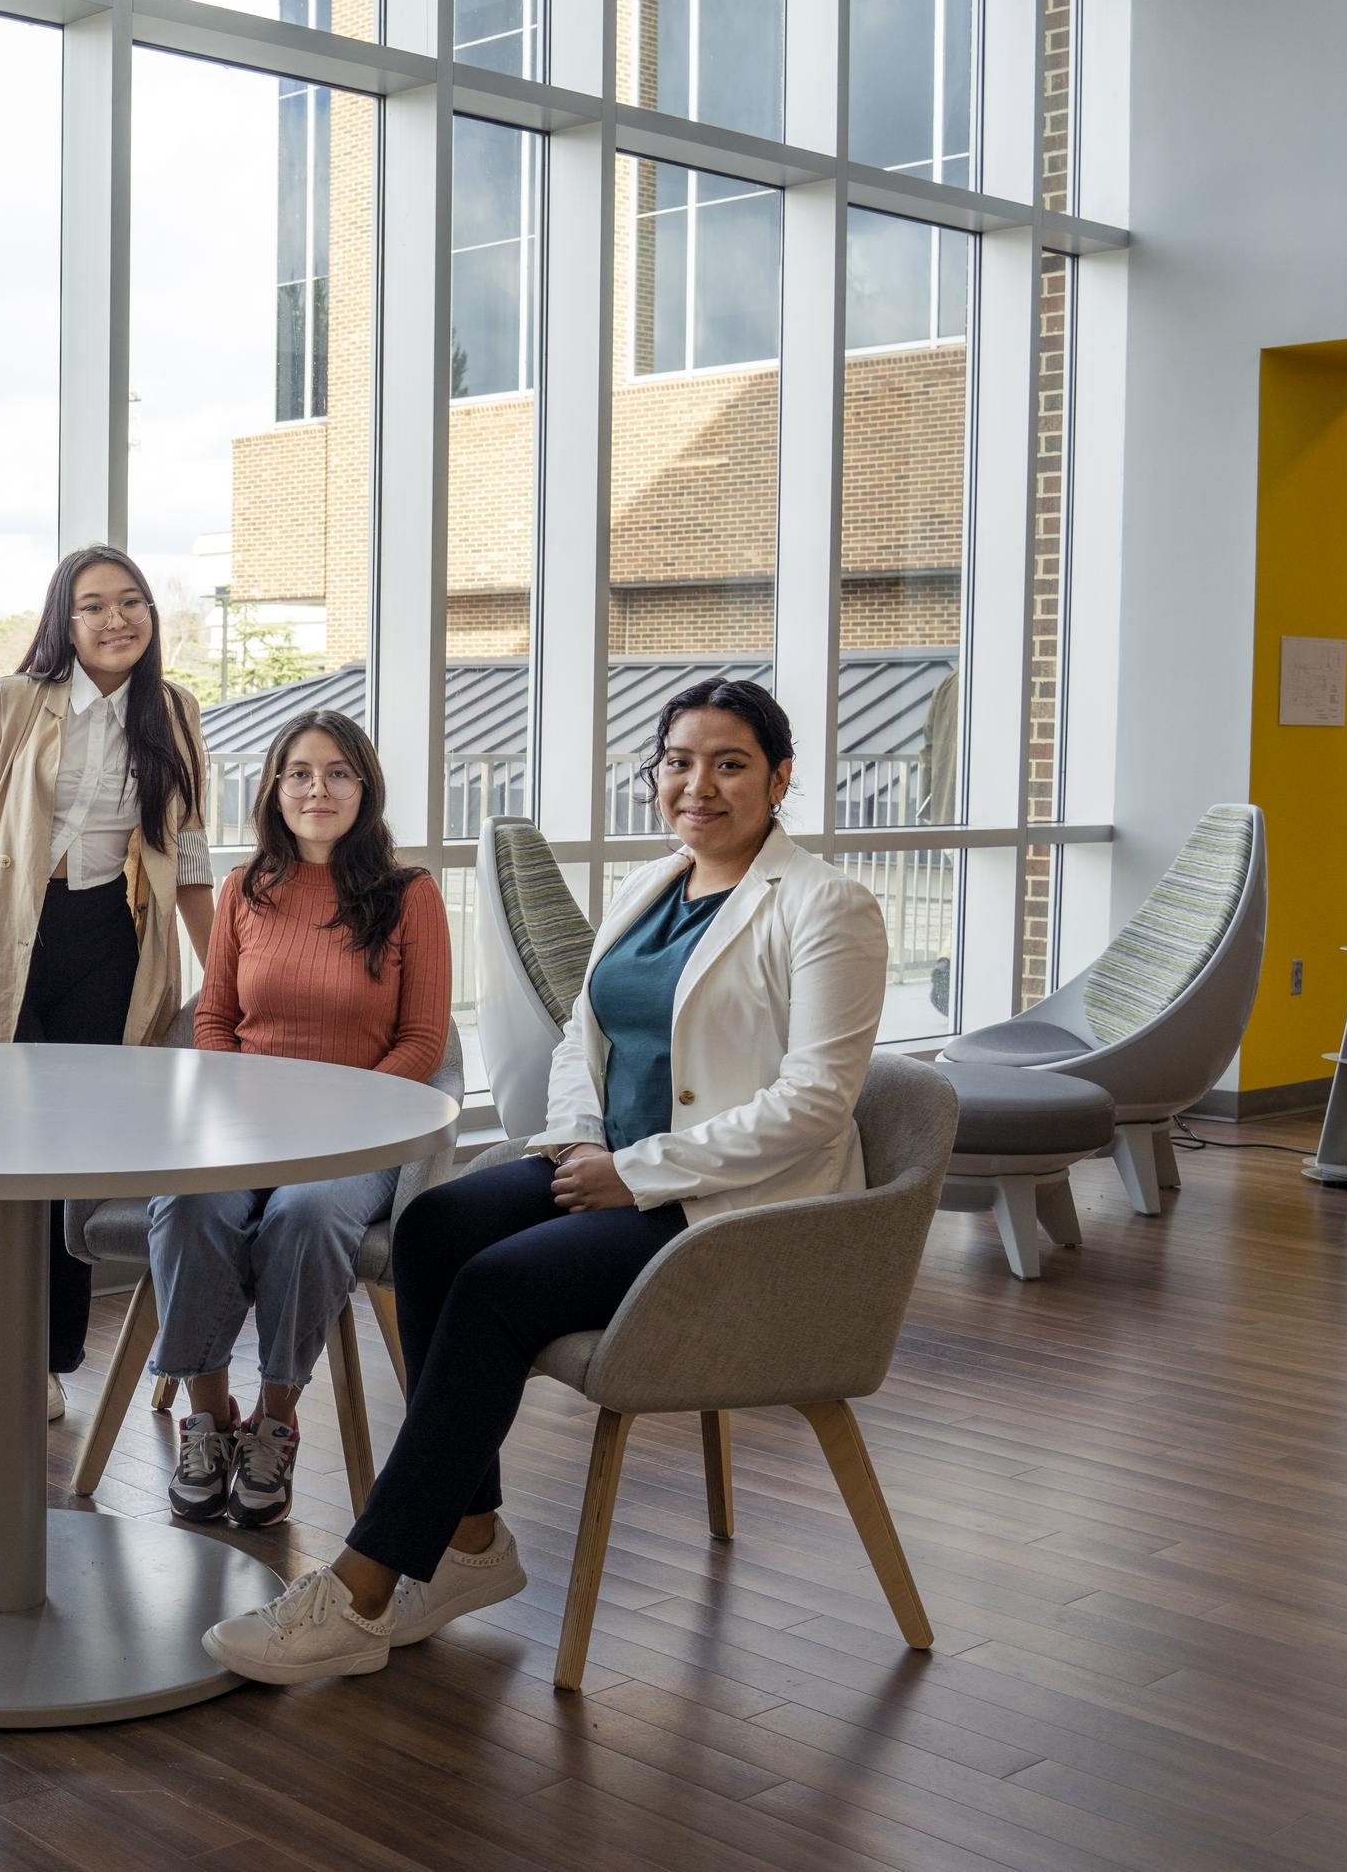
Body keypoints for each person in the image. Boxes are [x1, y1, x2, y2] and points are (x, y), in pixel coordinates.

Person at [202, 677, 889, 1683]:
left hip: (728, 1207)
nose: (701, 783)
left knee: (496, 1289)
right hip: (608, 1162)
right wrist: (573, 1142)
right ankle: (472, 1539)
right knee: (435, 1227)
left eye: (731, 762)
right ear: (655, 777)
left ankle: (361, 1585)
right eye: (680, 762)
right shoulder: (651, 888)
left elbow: (817, 1100)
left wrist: (638, 1170)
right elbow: (585, 1036)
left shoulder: (829, 905)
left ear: (780, 777)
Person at [0, 546, 217, 1419]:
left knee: (71, 1157)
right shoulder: (14, 702)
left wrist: (227, 974)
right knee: (2, 1155)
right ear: (64, 620)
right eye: (93, 605)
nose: (115, 620)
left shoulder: (174, 712)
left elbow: (189, 857)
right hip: (8, 940)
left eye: (132, 603)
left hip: (109, 942)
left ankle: (44, 1361)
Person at [150, 710, 451, 1529]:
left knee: (307, 1211)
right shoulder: (245, 887)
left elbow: (422, 1041)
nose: (317, 789)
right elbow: (213, 1019)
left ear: (365, 786)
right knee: (187, 1201)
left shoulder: (410, 894)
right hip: (247, 1121)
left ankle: (275, 1419)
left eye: (337, 772)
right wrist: (241, 1101)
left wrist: (346, 1120)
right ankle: (209, 1418)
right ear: (274, 789)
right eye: (299, 773)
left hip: (362, 1133)